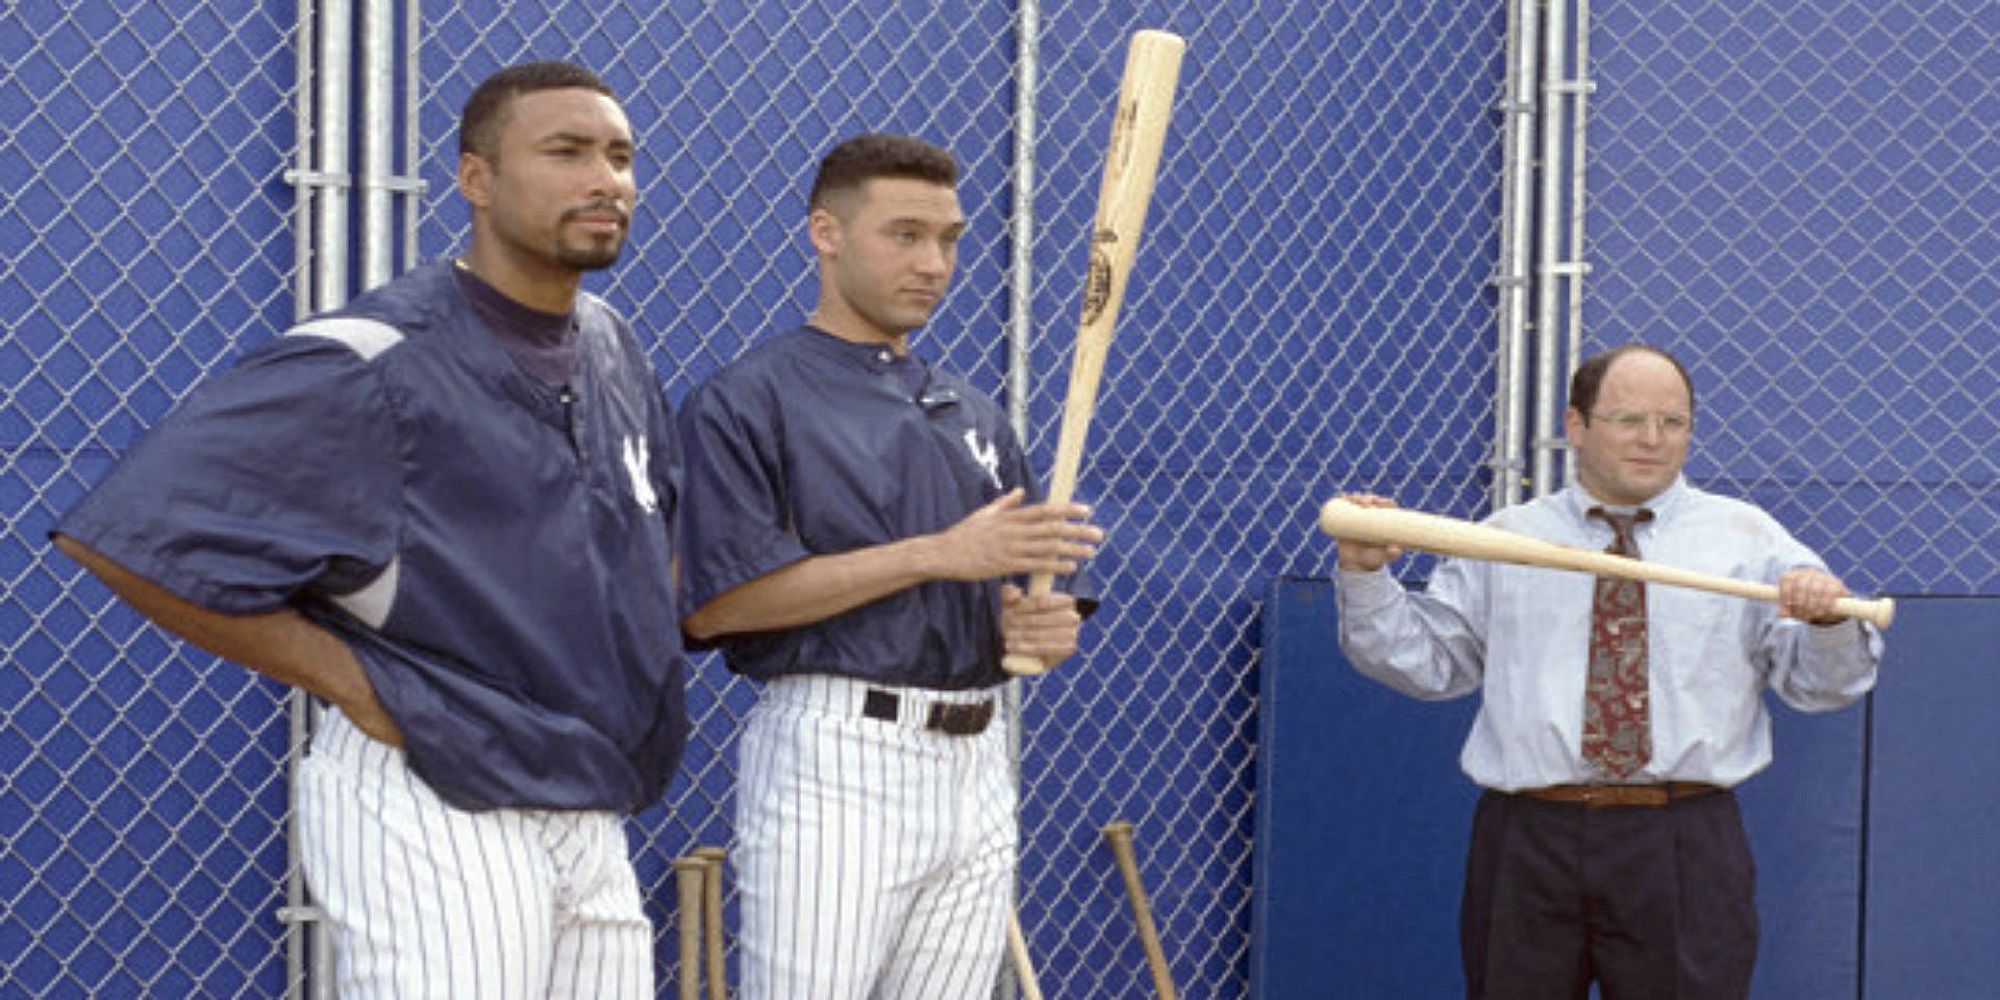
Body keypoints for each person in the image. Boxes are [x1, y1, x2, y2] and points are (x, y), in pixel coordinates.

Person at [51, 61, 686, 998]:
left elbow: (642, 547)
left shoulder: (609, 342)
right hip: (433, 787)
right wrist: (349, 683)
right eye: (567, 152)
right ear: (476, 178)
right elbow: (126, 534)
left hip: (584, 795)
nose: (607, 179)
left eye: (621, 156)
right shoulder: (376, 356)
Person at [676, 133, 1102, 999]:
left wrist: (1033, 627)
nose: (934, 263)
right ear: (825, 234)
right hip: (838, 750)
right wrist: (938, 555)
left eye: (948, 239)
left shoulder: (973, 411)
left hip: (978, 755)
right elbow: (712, 607)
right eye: (904, 235)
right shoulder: (752, 396)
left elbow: (1017, 604)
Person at [1333, 343, 1881, 999]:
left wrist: (1826, 622)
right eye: (1628, 420)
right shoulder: (1510, 536)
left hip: (1683, 839)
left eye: (1672, 422)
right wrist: (1366, 574)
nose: (1653, 439)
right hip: (1529, 837)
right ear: (1576, 426)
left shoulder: (1747, 541)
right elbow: (1427, 664)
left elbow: (1823, 685)